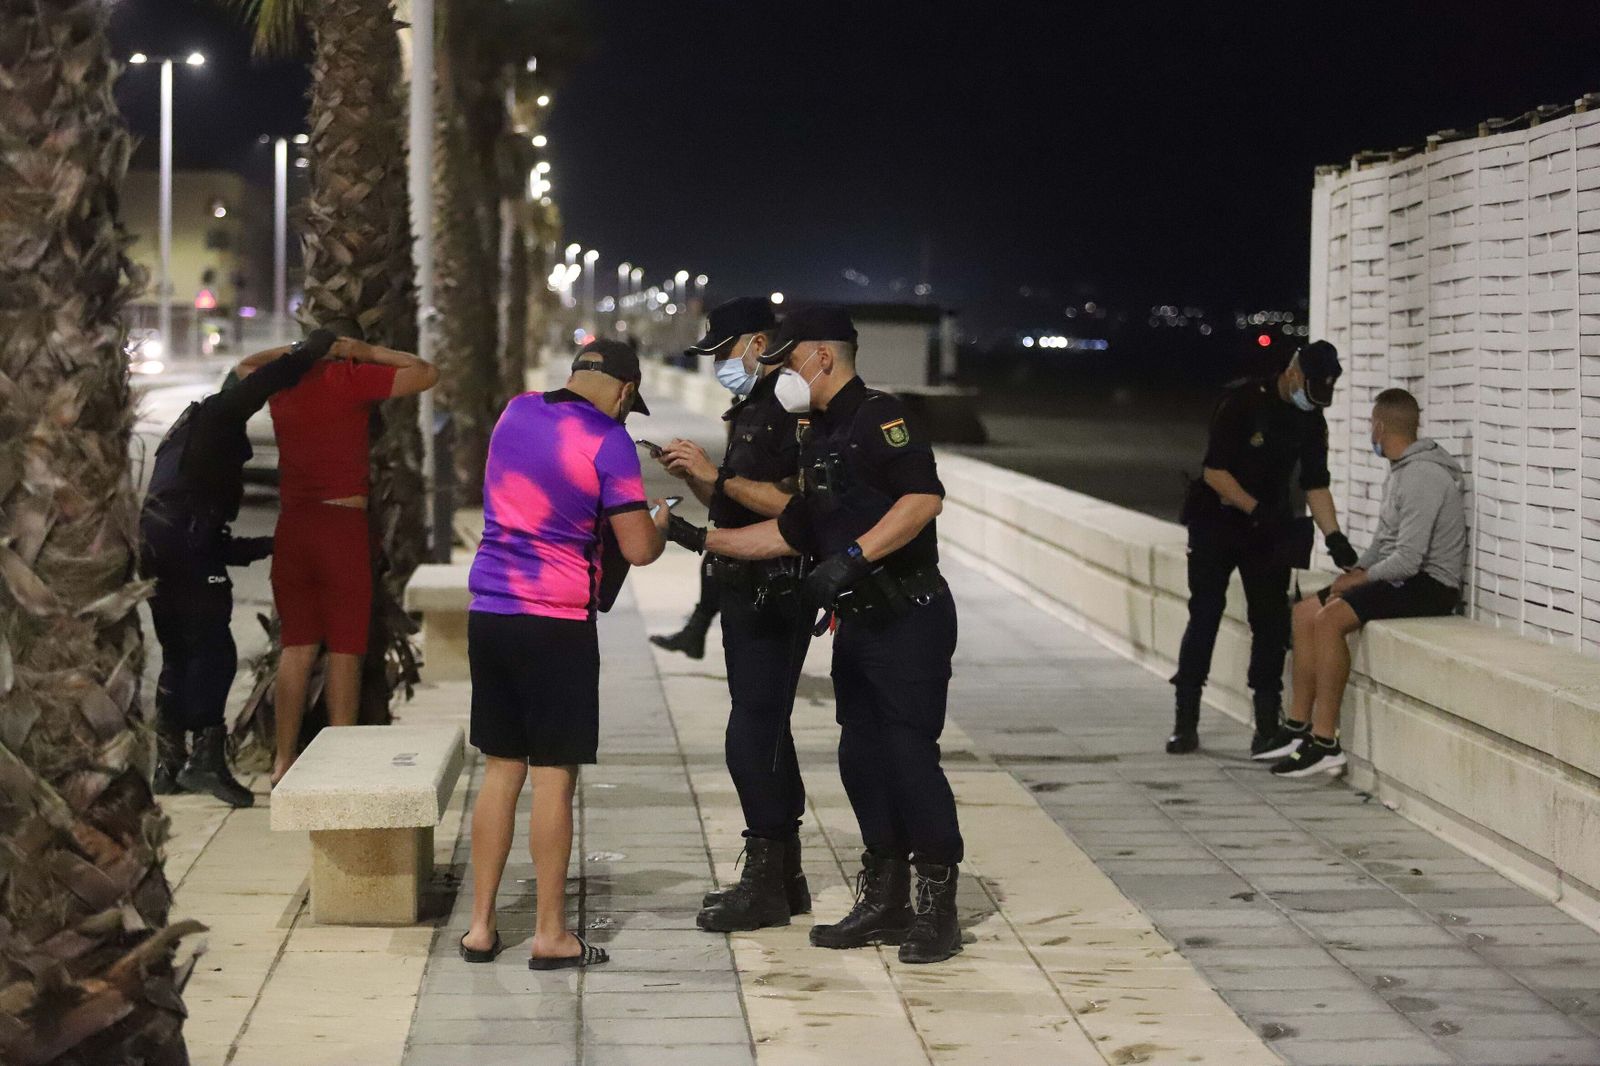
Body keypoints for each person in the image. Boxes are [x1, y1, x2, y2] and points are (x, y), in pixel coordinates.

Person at [667, 306, 966, 965]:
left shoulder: (880, 417)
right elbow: (793, 528)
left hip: (909, 617)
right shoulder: (821, 432)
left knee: (908, 755)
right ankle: (884, 898)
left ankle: (936, 908)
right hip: (862, 620)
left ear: (822, 358)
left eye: (787, 358)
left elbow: (922, 500)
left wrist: (853, 558)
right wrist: (694, 537)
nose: (779, 372)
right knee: (860, 757)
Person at [459, 339, 670, 970]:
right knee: (554, 775)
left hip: (491, 610)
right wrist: (657, 521)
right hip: (555, 625)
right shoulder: (610, 441)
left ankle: (479, 927)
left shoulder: (516, 411)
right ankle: (551, 934)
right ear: (627, 392)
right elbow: (637, 550)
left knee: (501, 770)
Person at [653, 296, 814, 932]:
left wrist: (714, 475)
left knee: (752, 734)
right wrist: (694, 477)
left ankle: (766, 882)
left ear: (756, 340)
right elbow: (730, 501)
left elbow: (793, 508)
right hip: (744, 583)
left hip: (775, 587)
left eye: (725, 350)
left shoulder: (790, 405)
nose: (721, 362)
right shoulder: (754, 402)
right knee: (764, 729)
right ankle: (786, 877)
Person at [142, 329, 335, 807]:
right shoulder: (219, 412)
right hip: (186, 545)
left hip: (163, 541)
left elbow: (208, 536)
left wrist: (263, 545)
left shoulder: (188, 433)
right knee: (214, 651)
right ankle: (205, 759)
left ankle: (169, 762)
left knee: (180, 651)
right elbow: (262, 380)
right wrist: (313, 349)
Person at [246, 322, 439, 785]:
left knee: (297, 647)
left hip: (294, 526)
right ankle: (340, 759)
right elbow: (426, 372)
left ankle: (283, 760)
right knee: (345, 650)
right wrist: (368, 350)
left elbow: (245, 367)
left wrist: (295, 354)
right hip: (342, 527)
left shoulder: (283, 386)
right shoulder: (348, 379)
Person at [1168, 340, 1359, 756]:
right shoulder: (1241, 402)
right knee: (1204, 615)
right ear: (1293, 374)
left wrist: (1335, 538)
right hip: (1217, 521)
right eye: (1310, 391)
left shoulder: (1312, 421)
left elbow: (1314, 483)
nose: (1314, 402)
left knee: (1271, 625)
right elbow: (1214, 472)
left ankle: (1267, 725)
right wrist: (1255, 509)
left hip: (1267, 530)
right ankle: (1185, 720)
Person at [1265, 388, 1466, 776]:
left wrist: (1362, 582)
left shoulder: (1423, 476)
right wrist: (1354, 572)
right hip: (1405, 577)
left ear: (1379, 425)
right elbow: (1384, 544)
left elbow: (1409, 560)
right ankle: (1298, 728)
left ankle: (1327, 742)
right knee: (1306, 611)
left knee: (1329, 620)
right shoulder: (1401, 472)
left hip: (1430, 585)